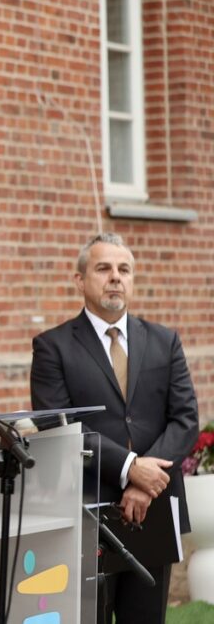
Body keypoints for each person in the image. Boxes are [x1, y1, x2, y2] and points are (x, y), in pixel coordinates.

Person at [30, 233, 198, 624]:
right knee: (91, 615)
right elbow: (60, 426)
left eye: (124, 270)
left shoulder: (164, 341)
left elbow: (185, 418)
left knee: (146, 618)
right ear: (79, 280)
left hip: (154, 505)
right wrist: (128, 467)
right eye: (103, 268)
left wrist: (144, 479)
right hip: (90, 508)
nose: (115, 278)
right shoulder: (52, 347)